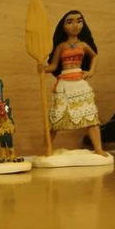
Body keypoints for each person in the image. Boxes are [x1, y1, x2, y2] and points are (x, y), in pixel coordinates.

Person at [37, 10, 107, 156]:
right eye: (70, 22)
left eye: (79, 21)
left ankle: (98, 149)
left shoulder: (83, 45)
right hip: (64, 84)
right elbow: (54, 66)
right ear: (63, 26)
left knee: (91, 117)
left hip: (79, 84)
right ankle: (46, 150)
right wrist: (43, 68)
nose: (75, 25)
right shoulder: (61, 47)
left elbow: (94, 56)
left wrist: (91, 71)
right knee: (55, 120)